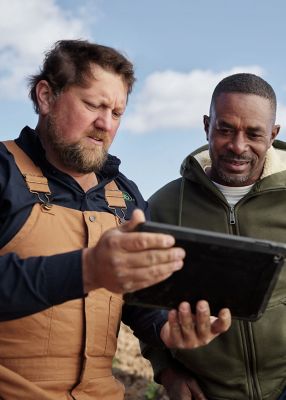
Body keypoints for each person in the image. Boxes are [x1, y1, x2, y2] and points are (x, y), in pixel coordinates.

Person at [0, 40, 231, 400]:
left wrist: (166, 330)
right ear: (45, 96)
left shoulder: (125, 195)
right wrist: (88, 269)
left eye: (117, 113)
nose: (105, 124)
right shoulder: (3, 171)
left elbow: (138, 301)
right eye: (93, 104)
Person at [142, 73, 286, 400]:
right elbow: (145, 304)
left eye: (253, 133)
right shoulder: (163, 207)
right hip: (207, 392)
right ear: (207, 125)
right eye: (225, 129)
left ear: (273, 134)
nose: (238, 146)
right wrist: (167, 370)